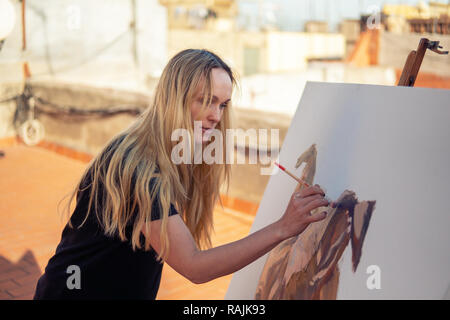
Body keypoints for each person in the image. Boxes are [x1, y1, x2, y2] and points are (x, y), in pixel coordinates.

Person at [33, 49, 333, 300]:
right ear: (175, 98)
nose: (216, 115)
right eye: (205, 100)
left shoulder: (174, 151)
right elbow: (195, 266)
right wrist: (283, 228)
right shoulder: (139, 170)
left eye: (222, 104)